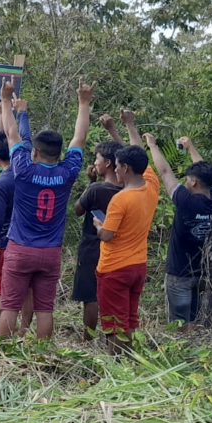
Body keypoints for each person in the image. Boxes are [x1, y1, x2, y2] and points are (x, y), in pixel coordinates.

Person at [0, 76, 93, 339]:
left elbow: (11, 134)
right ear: (59, 154)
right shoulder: (67, 172)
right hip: (50, 252)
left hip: (20, 248)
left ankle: (3, 355)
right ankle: (42, 355)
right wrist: (83, 103)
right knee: (45, 309)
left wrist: (6, 100)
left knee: (10, 306)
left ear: (35, 153)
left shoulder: (23, 170)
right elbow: (79, 138)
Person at [93, 109, 160, 353]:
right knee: (129, 319)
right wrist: (125, 126)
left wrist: (99, 227)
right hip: (137, 265)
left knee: (114, 323)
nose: (117, 170)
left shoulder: (121, 199)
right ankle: (131, 361)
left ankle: (118, 364)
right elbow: (137, 153)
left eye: (119, 166)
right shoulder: (151, 186)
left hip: (114, 268)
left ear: (126, 169)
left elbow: (107, 236)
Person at [145, 134, 212, 330]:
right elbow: (206, 174)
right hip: (203, 272)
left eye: (188, 179)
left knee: (179, 323)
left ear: (194, 182)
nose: (185, 182)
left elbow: (164, 171)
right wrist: (190, 148)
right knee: (195, 319)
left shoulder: (185, 200)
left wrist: (152, 145)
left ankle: (180, 351)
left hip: (180, 272)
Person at [0, 107, 34, 331]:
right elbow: (26, 140)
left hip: (6, 243)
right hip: (32, 241)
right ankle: (24, 331)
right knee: (28, 289)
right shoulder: (30, 171)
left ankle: (3, 329)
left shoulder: (1, 183)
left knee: (5, 290)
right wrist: (21, 114)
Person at [72, 134, 123, 341]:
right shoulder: (126, 190)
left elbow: (78, 210)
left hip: (92, 247)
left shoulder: (95, 189)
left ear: (108, 164)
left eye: (97, 159)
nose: (95, 163)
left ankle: (88, 338)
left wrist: (90, 183)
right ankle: (116, 336)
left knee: (90, 296)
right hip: (117, 249)